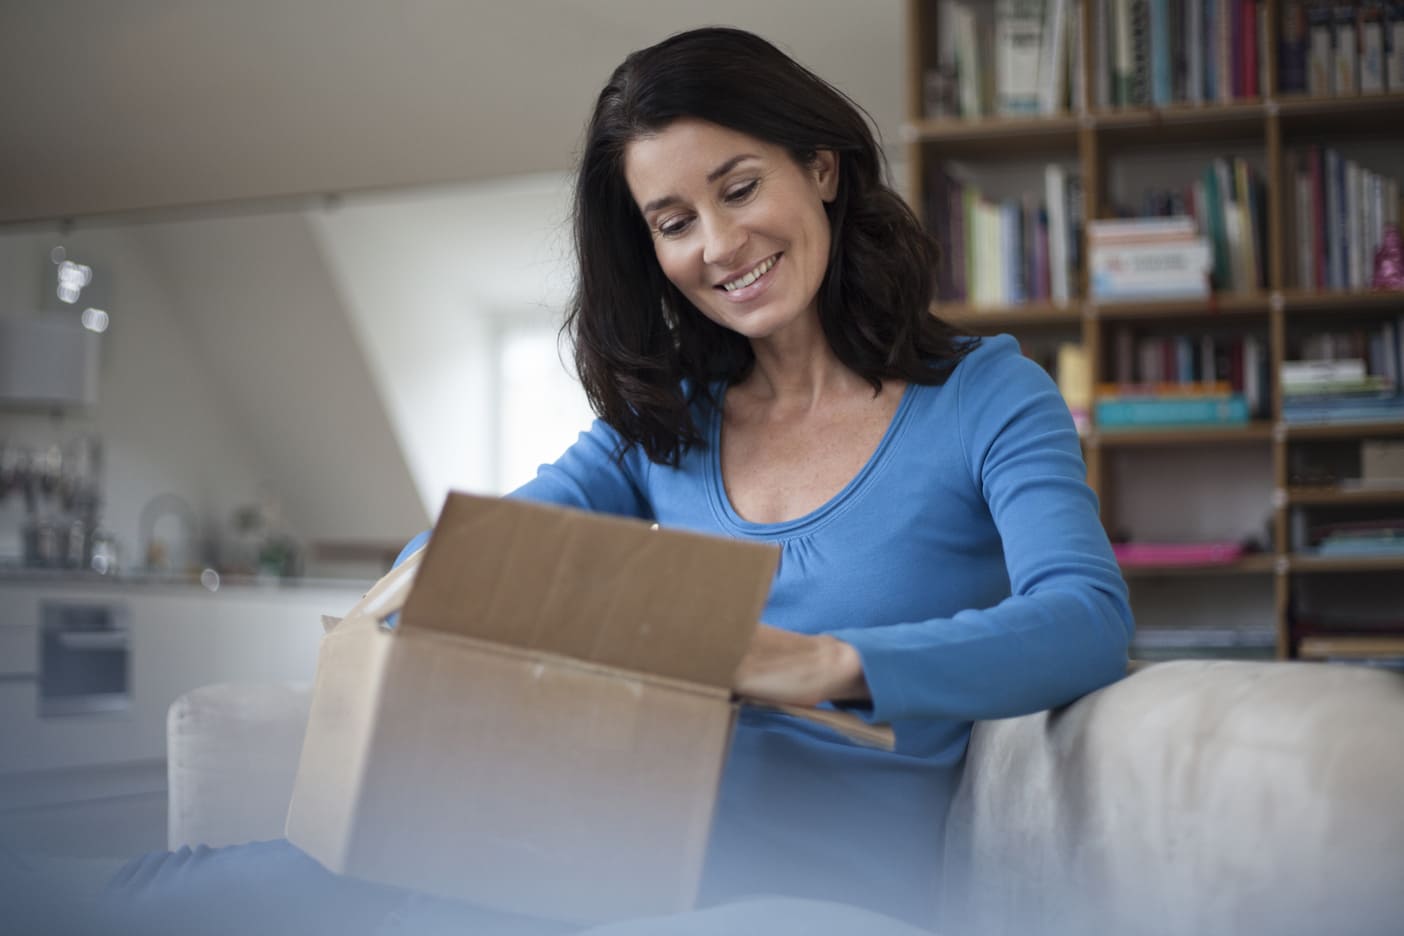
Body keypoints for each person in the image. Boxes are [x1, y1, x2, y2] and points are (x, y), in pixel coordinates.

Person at [40, 25, 1132, 936]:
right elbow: (477, 550)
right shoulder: (664, 429)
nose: (719, 244)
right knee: (195, 896)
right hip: (586, 843)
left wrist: (825, 662)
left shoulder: (988, 398)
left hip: (805, 882)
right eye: (673, 222)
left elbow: (1084, 619)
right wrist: (439, 587)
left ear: (824, 168)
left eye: (739, 186)